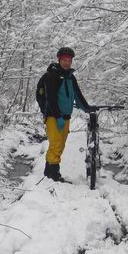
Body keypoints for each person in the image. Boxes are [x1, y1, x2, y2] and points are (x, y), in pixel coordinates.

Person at [35, 46, 91, 182]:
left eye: (69, 60)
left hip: (65, 117)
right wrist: (57, 115)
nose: (67, 62)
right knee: (55, 145)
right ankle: (53, 175)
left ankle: (49, 173)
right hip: (53, 116)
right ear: (59, 59)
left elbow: (78, 96)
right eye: (65, 59)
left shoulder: (71, 77)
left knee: (60, 146)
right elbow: (51, 98)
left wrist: (88, 109)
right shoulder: (51, 76)